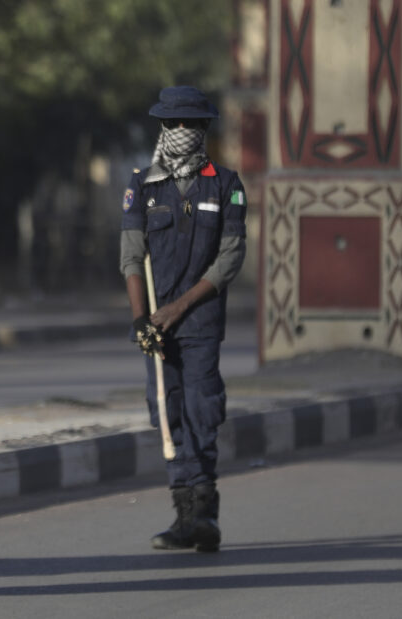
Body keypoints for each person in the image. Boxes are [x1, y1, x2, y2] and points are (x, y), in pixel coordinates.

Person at [119, 86, 247, 552]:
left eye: (190, 124)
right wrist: (142, 320)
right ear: (162, 127)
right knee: (168, 412)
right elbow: (132, 257)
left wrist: (179, 307)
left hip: (200, 322)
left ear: (203, 129)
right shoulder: (142, 185)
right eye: (173, 124)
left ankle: (205, 515)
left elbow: (230, 258)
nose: (181, 132)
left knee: (200, 409)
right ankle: (183, 516)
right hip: (156, 325)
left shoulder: (226, 184)